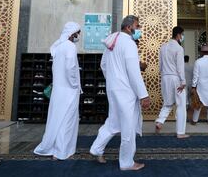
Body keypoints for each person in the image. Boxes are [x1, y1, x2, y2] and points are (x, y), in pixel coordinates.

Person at [90, 15, 150, 171]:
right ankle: (126, 162)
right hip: (126, 91)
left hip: (114, 89)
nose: (139, 30)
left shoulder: (113, 41)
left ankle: (96, 149)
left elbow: (104, 65)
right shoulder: (129, 43)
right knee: (128, 127)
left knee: (113, 122)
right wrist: (143, 94)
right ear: (129, 27)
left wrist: (113, 79)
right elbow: (133, 72)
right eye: (137, 26)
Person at [34, 22, 82, 160]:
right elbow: (70, 68)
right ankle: (62, 152)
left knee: (58, 119)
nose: (78, 36)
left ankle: (56, 148)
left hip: (59, 89)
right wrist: (74, 85)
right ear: (72, 33)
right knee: (68, 120)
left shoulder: (59, 46)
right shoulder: (70, 46)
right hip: (68, 90)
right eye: (78, 33)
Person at [155, 26, 189, 139]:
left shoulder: (163, 47)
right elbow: (180, 67)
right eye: (182, 35)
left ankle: (160, 121)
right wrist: (183, 81)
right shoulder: (179, 48)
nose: (182, 37)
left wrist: (164, 75)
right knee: (181, 105)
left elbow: (160, 65)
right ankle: (180, 132)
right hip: (176, 78)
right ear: (179, 35)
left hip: (165, 77)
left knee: (168, 102)